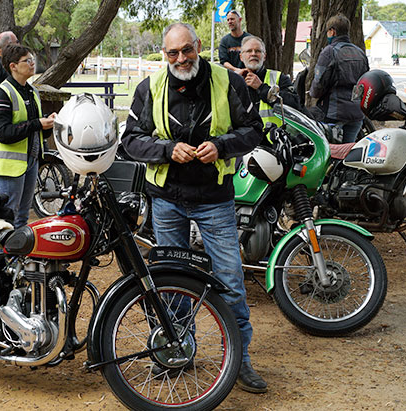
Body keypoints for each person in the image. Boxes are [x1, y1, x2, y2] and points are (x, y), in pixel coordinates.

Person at [121, 22, 267, 393]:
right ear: (164, 53)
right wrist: (167, 150)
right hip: (167, 199)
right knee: (173, 283)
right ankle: (177, 353)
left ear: (199, 46)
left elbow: (253, 129)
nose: (181, 59)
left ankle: (240, 360)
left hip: (214, 200)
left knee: (231, 282)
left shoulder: (228, 82)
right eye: (173, 53)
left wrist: (222, 145)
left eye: (187, 50)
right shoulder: (150, 88)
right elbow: (131, 142)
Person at [0, 44, 56, 228]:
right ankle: (1, 258)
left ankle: (17, 257)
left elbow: (34, 127)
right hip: (9, 166)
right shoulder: (1, 93)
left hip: (30, 161)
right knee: (7, 220)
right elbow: (3, 133)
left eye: (33, 60)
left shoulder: (32, 92)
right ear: (13, 66)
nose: (32, 64)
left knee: (22, 217)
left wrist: (47, 123)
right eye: (27, 61)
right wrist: (38, 123)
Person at [309, 14, 369, 143]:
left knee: (331, 154)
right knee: (347, 154)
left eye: (328, 31)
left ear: (332, 31)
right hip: (356, 114)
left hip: (334, 114)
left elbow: (318, 84)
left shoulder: (329, 51)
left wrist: (313, 93)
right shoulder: (360, 53)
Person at [238, 35, 304, 126]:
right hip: (244, 138)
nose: (253, 54)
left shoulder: (279, 77)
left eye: (258, 51)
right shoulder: (234, 81)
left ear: (264, 56)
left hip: (272, 138)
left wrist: (262, 88)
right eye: (249, 51)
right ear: (241, 57)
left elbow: (295, 106)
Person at [219, 10, 251, 75]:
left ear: (240, 19)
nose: (229, 22)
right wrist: (236, 70)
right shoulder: (224, 41)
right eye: (228, 20)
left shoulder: (250, 39)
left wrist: (245, 70)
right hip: (232, 76)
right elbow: (224, 61)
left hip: (249, 74)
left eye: (232, 19)